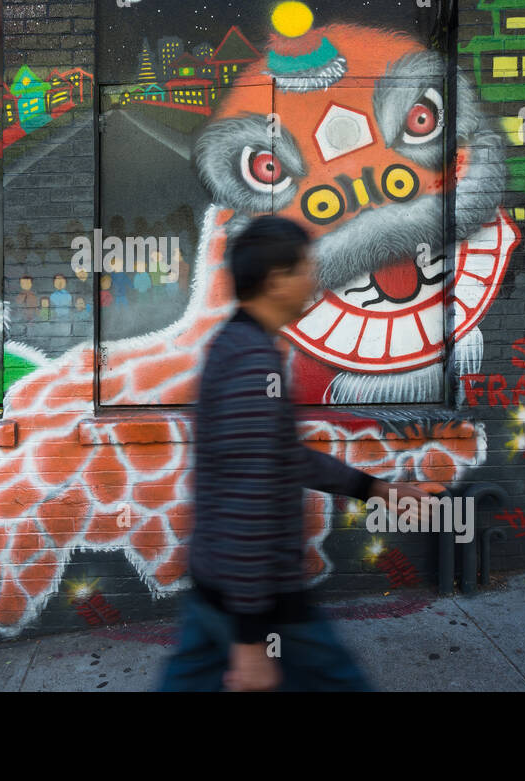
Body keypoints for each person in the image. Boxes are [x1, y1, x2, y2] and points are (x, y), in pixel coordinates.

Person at [158, 215, 428, 692]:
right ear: (276, 280)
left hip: (222, 584)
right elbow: (250, 494)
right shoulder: (250, 360)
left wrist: (375, 489)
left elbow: (280, 457)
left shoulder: (241, 346)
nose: (314, 279)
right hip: (258, 597)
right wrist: (250, 637)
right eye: (305, 268)